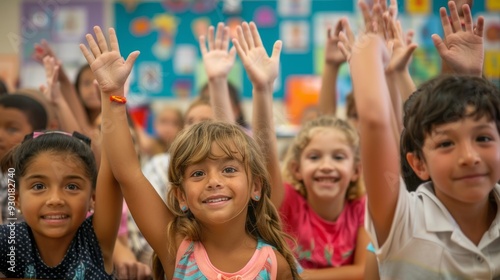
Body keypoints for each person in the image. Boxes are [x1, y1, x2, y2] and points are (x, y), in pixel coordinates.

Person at [80, 25, 300, 279]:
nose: (214, 182)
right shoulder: (177, 249)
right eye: (197, 174)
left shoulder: (275, 265)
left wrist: (262, 89)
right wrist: (112, 95)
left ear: (256, 187)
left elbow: (265, 155)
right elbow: (128, 173)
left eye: (229, 169)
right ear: (181, 196)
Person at [343, 0, 500, 278]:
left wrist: (470, 78)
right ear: (418, 164)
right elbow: (377, 120)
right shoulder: (403, 222)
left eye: (484, 139)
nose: (470, 156)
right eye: (446, 144)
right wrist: (371, 48)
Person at [231, 21, 367, 278]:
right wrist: (262, 89)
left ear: (357, 170)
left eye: (338, 157)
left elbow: (366, 273)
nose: (326, 165)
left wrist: (295, 276)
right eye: (314, 157)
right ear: (296, 168)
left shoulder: (361, 208)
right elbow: (265, 154)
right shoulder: (290, 202)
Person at [0, 131, 122, 278]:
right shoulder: (9, 241)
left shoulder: (96, 240)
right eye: (39, 186)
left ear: (93, 198)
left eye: (72, 187)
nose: (55, 199)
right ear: (17, 198)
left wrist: (114, 109)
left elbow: (117, 164)